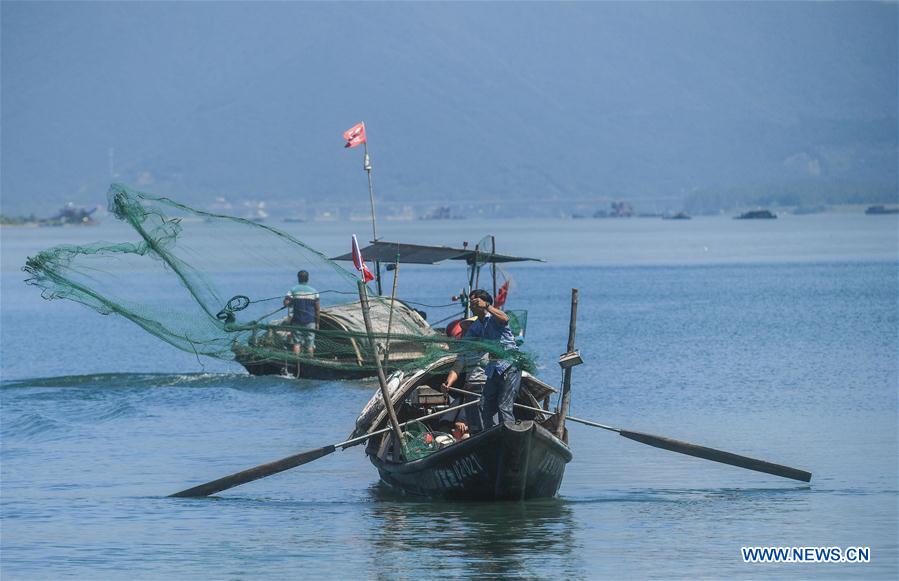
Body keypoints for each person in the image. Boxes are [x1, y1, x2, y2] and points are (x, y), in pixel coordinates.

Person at [461, 289, 521, 429]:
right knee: (484, 405)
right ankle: (491, 434)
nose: (471, 307)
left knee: (503, 406)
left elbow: (505, 318)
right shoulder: (477, 325)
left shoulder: (494, 317)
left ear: (483, 303)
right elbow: (465, 342)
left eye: (474, 303)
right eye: (470, 303)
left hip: (510, 365)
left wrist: (487, 306)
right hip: (494, 368)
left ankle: (509, 434)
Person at [441, 318, 486, 437]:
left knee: (485, 420)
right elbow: (456, 368)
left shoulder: (489, 346)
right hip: (471, 388)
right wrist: (448, 383)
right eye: (466, 331)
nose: (468, 333)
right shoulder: (465, 351)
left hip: (486, 387)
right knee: (474, 425)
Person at [283, 270, 320, 356]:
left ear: (298, 278)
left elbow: (286, 303)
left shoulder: (293, 290)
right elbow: (317, 309)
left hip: (297, 320)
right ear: (307, 279)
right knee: (310, 344)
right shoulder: (314, 291)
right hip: (310, 321)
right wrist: (317, 323)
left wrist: (291, 302)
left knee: (296, 343)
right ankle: (311, 362)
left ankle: (297, 362)